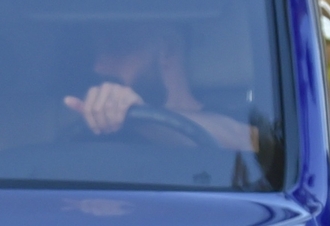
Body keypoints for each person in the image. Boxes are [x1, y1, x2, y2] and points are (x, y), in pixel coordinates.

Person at [62, 22, 251, 150]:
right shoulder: (91, 136)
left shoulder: (241, 118)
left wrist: (143, 115)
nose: (99, 66)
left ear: (167, 49)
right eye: (97, 52)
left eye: (119, 47)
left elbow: (255, 144)